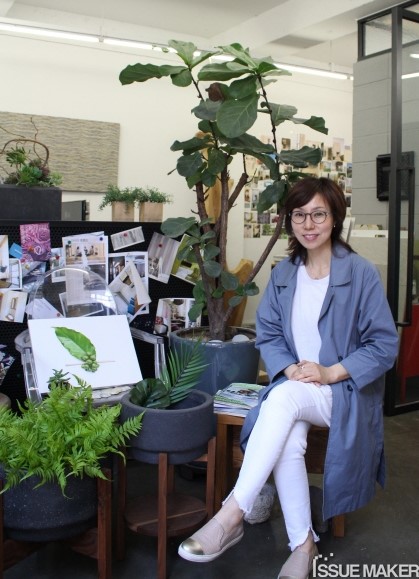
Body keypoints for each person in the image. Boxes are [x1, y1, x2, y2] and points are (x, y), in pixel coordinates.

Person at [178, 177, 399, 578]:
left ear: (335, 218)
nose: (308, 224)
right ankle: (303, 545)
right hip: (296, 387)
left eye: (318, 214)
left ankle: (232, 513)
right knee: (289, 437)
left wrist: (329, 371)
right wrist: (290, 368)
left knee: (281, 400)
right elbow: (269, 333)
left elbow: (383, 345)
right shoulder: (284, 273)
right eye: (299, 215)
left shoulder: (360, 273)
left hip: (344, 390)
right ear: (289, 220)